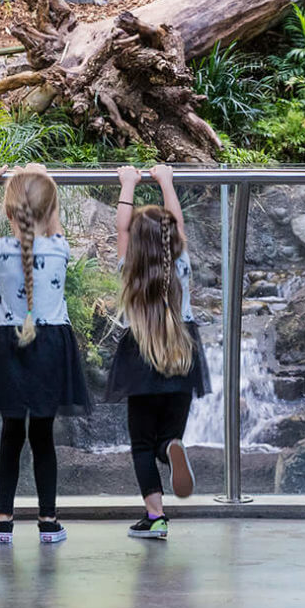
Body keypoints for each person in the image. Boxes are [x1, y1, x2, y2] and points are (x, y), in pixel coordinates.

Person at [0, 162, 93, 545]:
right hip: (51, 347)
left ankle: (3, 521)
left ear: (9, 212)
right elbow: (49, 221)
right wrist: (40, 174)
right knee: (43, 437)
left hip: (9, 347)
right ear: (52, 211)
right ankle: (49, 522)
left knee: (10, 435)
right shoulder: (59, 249)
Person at [105, 164, 208, 540]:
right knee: (166, 435)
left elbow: (120, 228)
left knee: (140, 443)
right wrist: (166, 181)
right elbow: (177, 226)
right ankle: (172, 446)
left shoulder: (129, 270)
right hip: (184, 356)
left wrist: (128, 184)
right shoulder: (182, 266)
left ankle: (156, 516)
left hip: (141, 358)